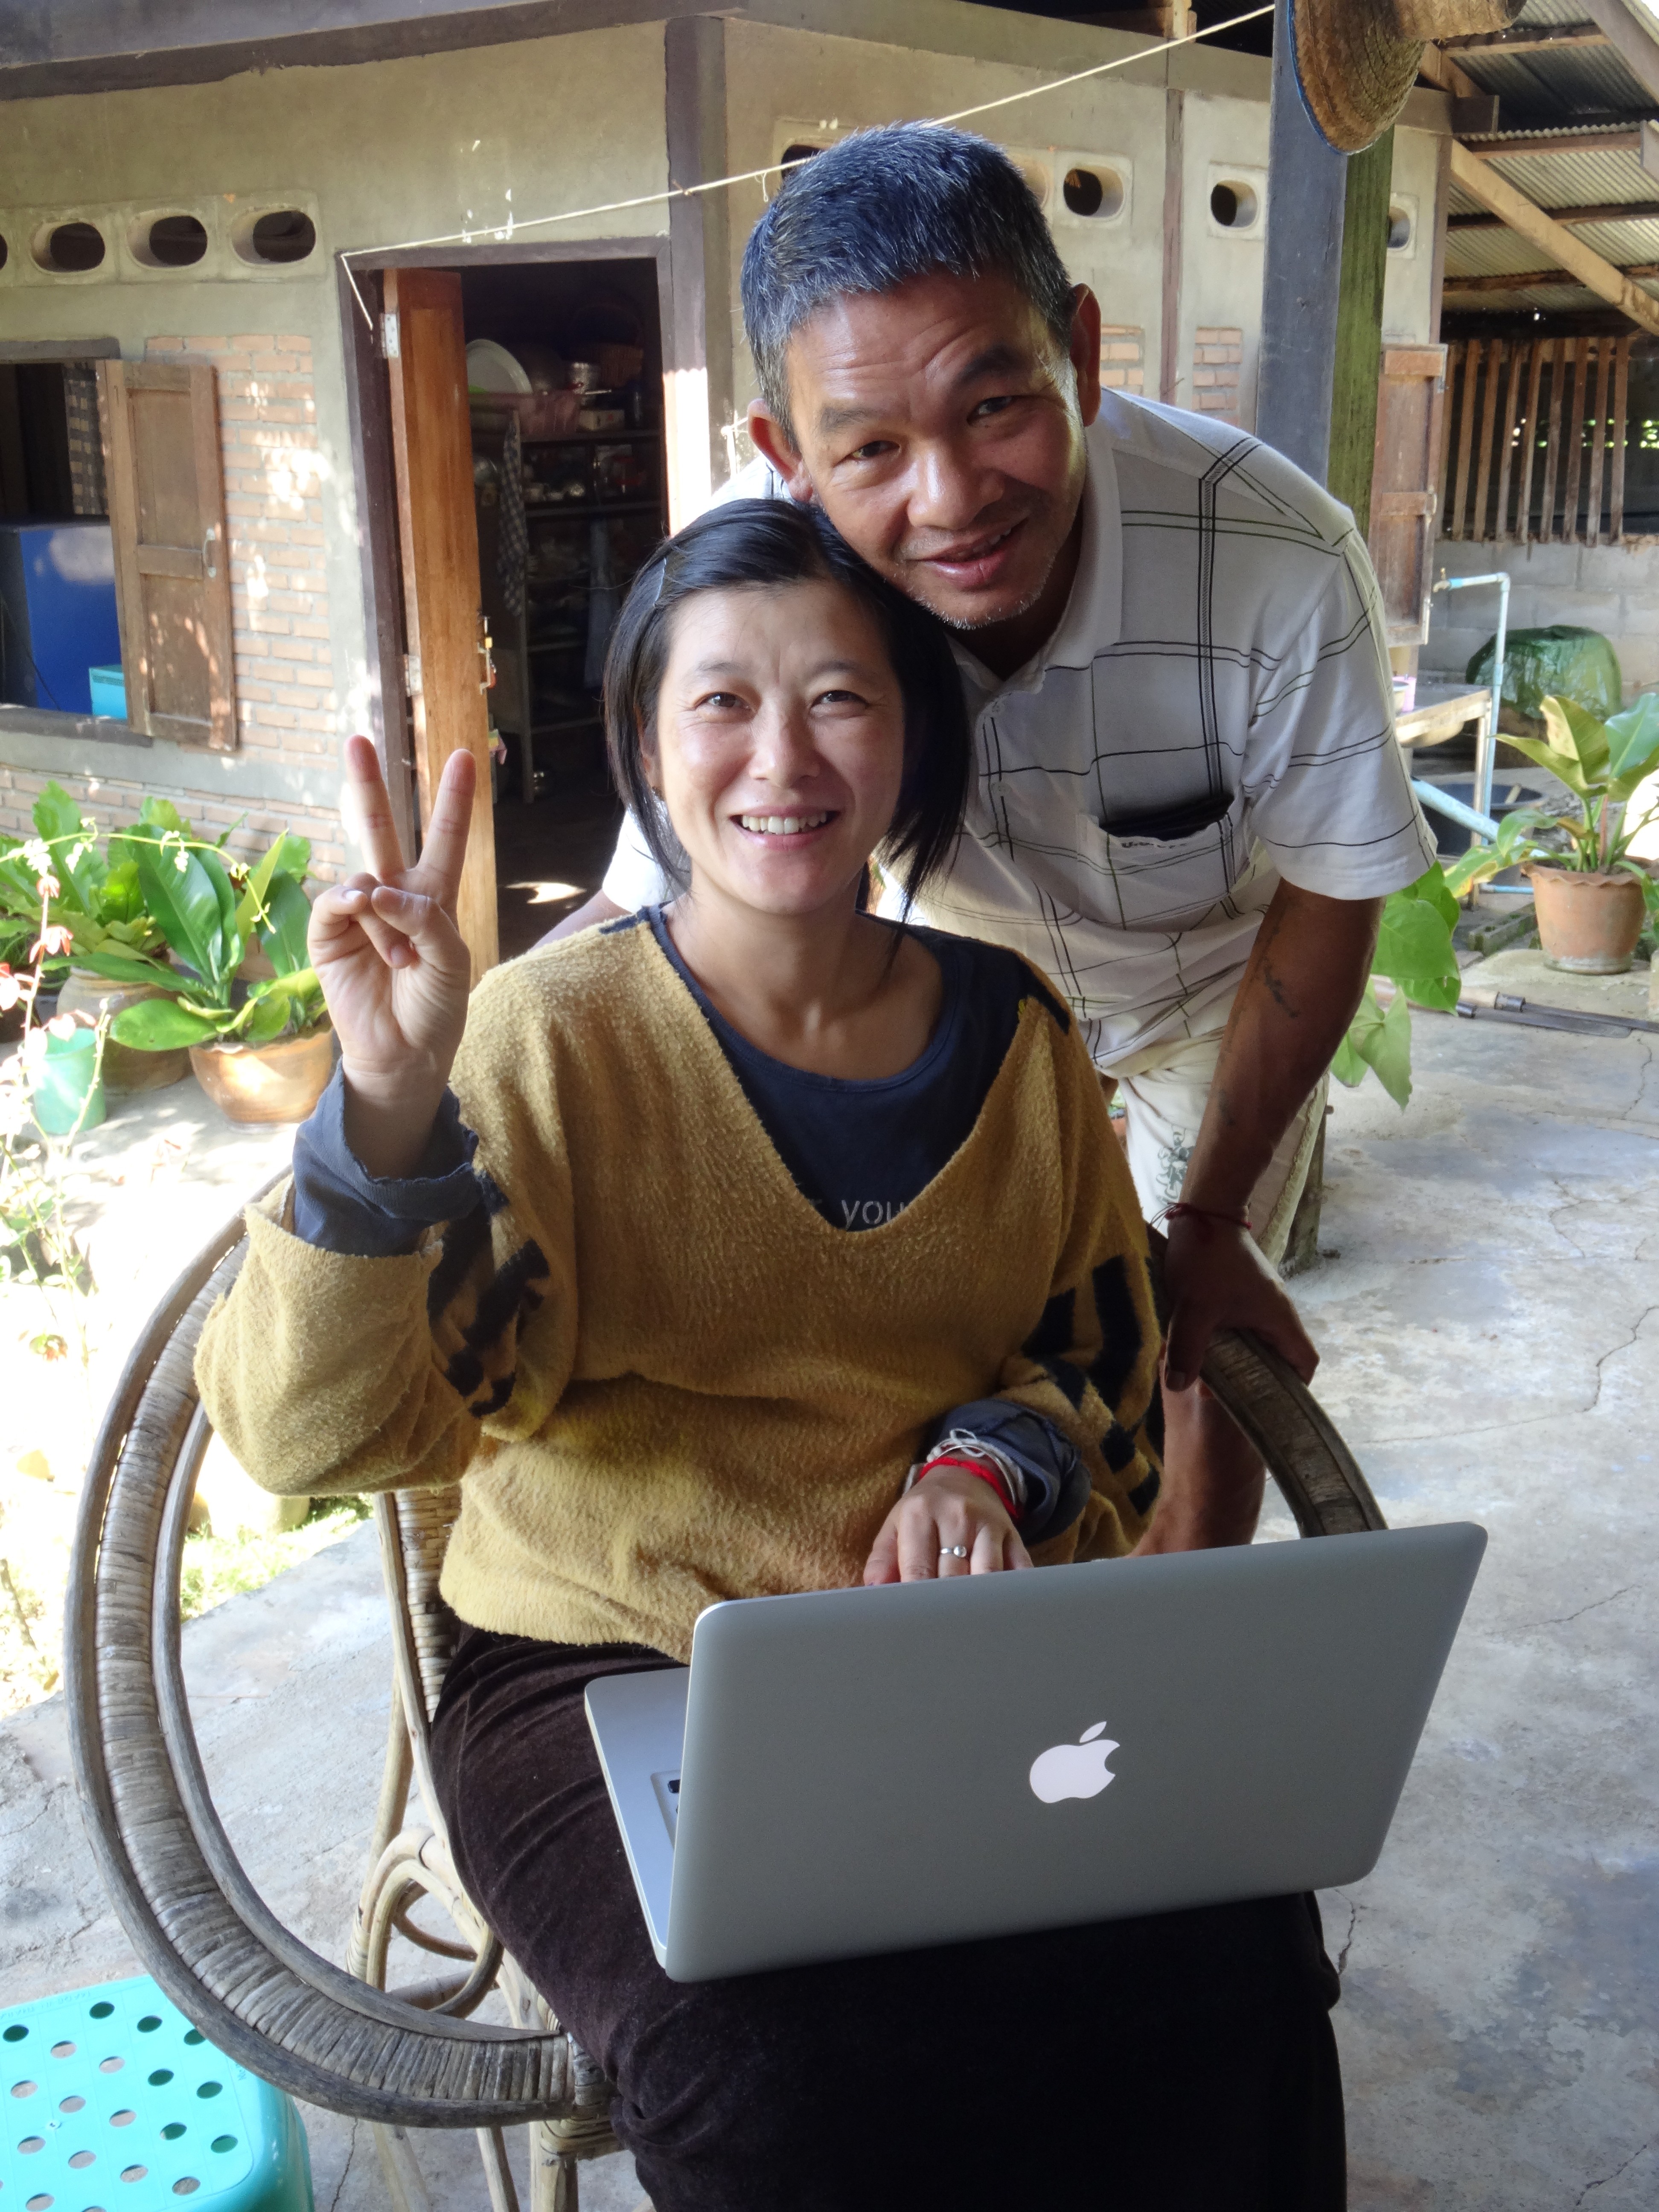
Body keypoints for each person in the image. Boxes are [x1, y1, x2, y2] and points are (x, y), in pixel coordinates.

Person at [196, 501, 1344, 2211]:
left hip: (938, 1663)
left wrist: (990, 1466)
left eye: (841, 698)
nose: (782, 758)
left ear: (912, 742)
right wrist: (382, 1109)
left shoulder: (1017, 1037)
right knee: (779, 2069)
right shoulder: (547, 1041)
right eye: (722, 701)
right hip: (603, 1669)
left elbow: (1101, 1374)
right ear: (651, 754)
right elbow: (316, 1438)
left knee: (1231, 1957)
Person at [550, 124, 1438, 1558]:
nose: (952, 499)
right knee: (949, 1361)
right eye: (870, 450)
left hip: (1204, 1003)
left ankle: (1168, 1643)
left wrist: (1210, 1222)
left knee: (1189, 1347)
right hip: (956, 1015)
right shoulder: (758, 586)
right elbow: (652, 901)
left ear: (1078, 352)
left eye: (995, 407)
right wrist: (440, 1091)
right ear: (789, 457)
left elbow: (1333, 896)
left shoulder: (1277, 556)